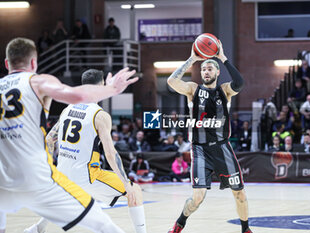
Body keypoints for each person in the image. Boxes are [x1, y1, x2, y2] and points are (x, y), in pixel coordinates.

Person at [0, 37, 138, 233]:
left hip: (3, 179)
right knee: (104, 225)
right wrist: (111, 89)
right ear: (33, 63)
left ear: (7, 63)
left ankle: (36, 229)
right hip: (36, 177)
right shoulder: (38, 81)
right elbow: (78, 96)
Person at [24, 69, 146, 233]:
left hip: (63, 173)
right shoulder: (100, 115)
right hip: (87, 176)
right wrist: (126, 184)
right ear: (102, 84)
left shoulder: (67, 109)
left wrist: (50, 167)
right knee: (135, 191)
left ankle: (37, 229)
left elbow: (49, 139)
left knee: (65, 197)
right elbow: (110, 154)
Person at [167, 41, 252, 233]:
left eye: (210, 68)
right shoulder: (192, 89)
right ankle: (180, 223)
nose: (206, 71)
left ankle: (245, 229)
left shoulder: (225, 91)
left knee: (240, 194)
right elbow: (171, 82)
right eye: (203, 69)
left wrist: (223, 58)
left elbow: (240, 83)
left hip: (222, 147)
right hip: (200, 149)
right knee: (198, 197)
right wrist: (192, 59)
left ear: (217, 72)